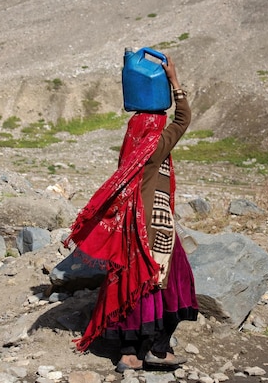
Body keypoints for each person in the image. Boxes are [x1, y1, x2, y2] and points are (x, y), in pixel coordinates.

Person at [64, 52, 199, 372]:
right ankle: (157, 348)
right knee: (172, 282)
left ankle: (128, 355)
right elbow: (183, 120)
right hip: (154, 224)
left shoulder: (135, 135)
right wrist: (175, 82)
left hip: (129, 223)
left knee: (131, 282)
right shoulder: (156, 138)